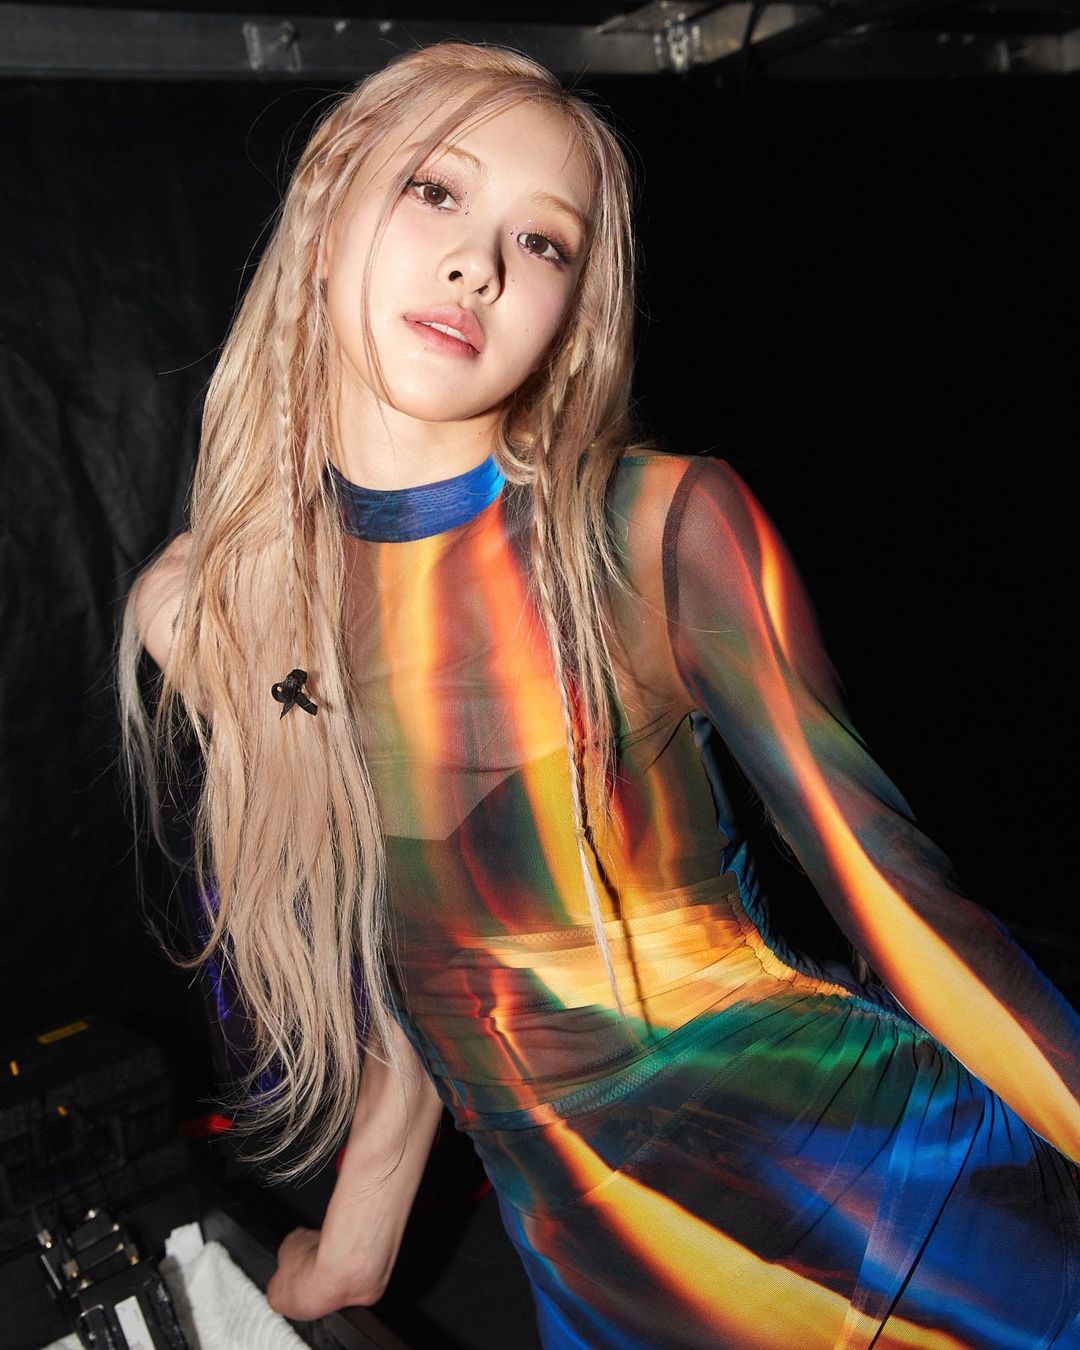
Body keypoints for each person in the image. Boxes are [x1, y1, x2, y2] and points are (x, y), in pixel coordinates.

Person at [123, 41, 1080, 1348]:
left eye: (544, 242)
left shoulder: (656, 528)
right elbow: (424, 952)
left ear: (572, 312)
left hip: (916, 1232)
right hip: (607, 1287)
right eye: (437, 191)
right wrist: (350, 1252)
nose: (479, 265)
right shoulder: (209, 611)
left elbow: (909, 910)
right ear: (328, 196)